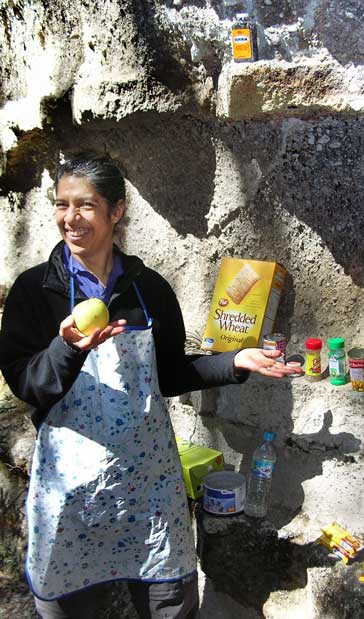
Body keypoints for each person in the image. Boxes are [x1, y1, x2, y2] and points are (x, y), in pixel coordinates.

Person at [0, 152, 299, 619]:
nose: (70, 219)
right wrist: (69, 348)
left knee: (169, 604)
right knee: (68, 606)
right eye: (61, 205)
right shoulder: (35, 291)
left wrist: (233, 361)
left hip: (147, 487)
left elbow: (170, 375)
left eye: (85, 205)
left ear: (116, 211)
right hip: (71, 492)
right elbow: (28, 385)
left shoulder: (150, 290)